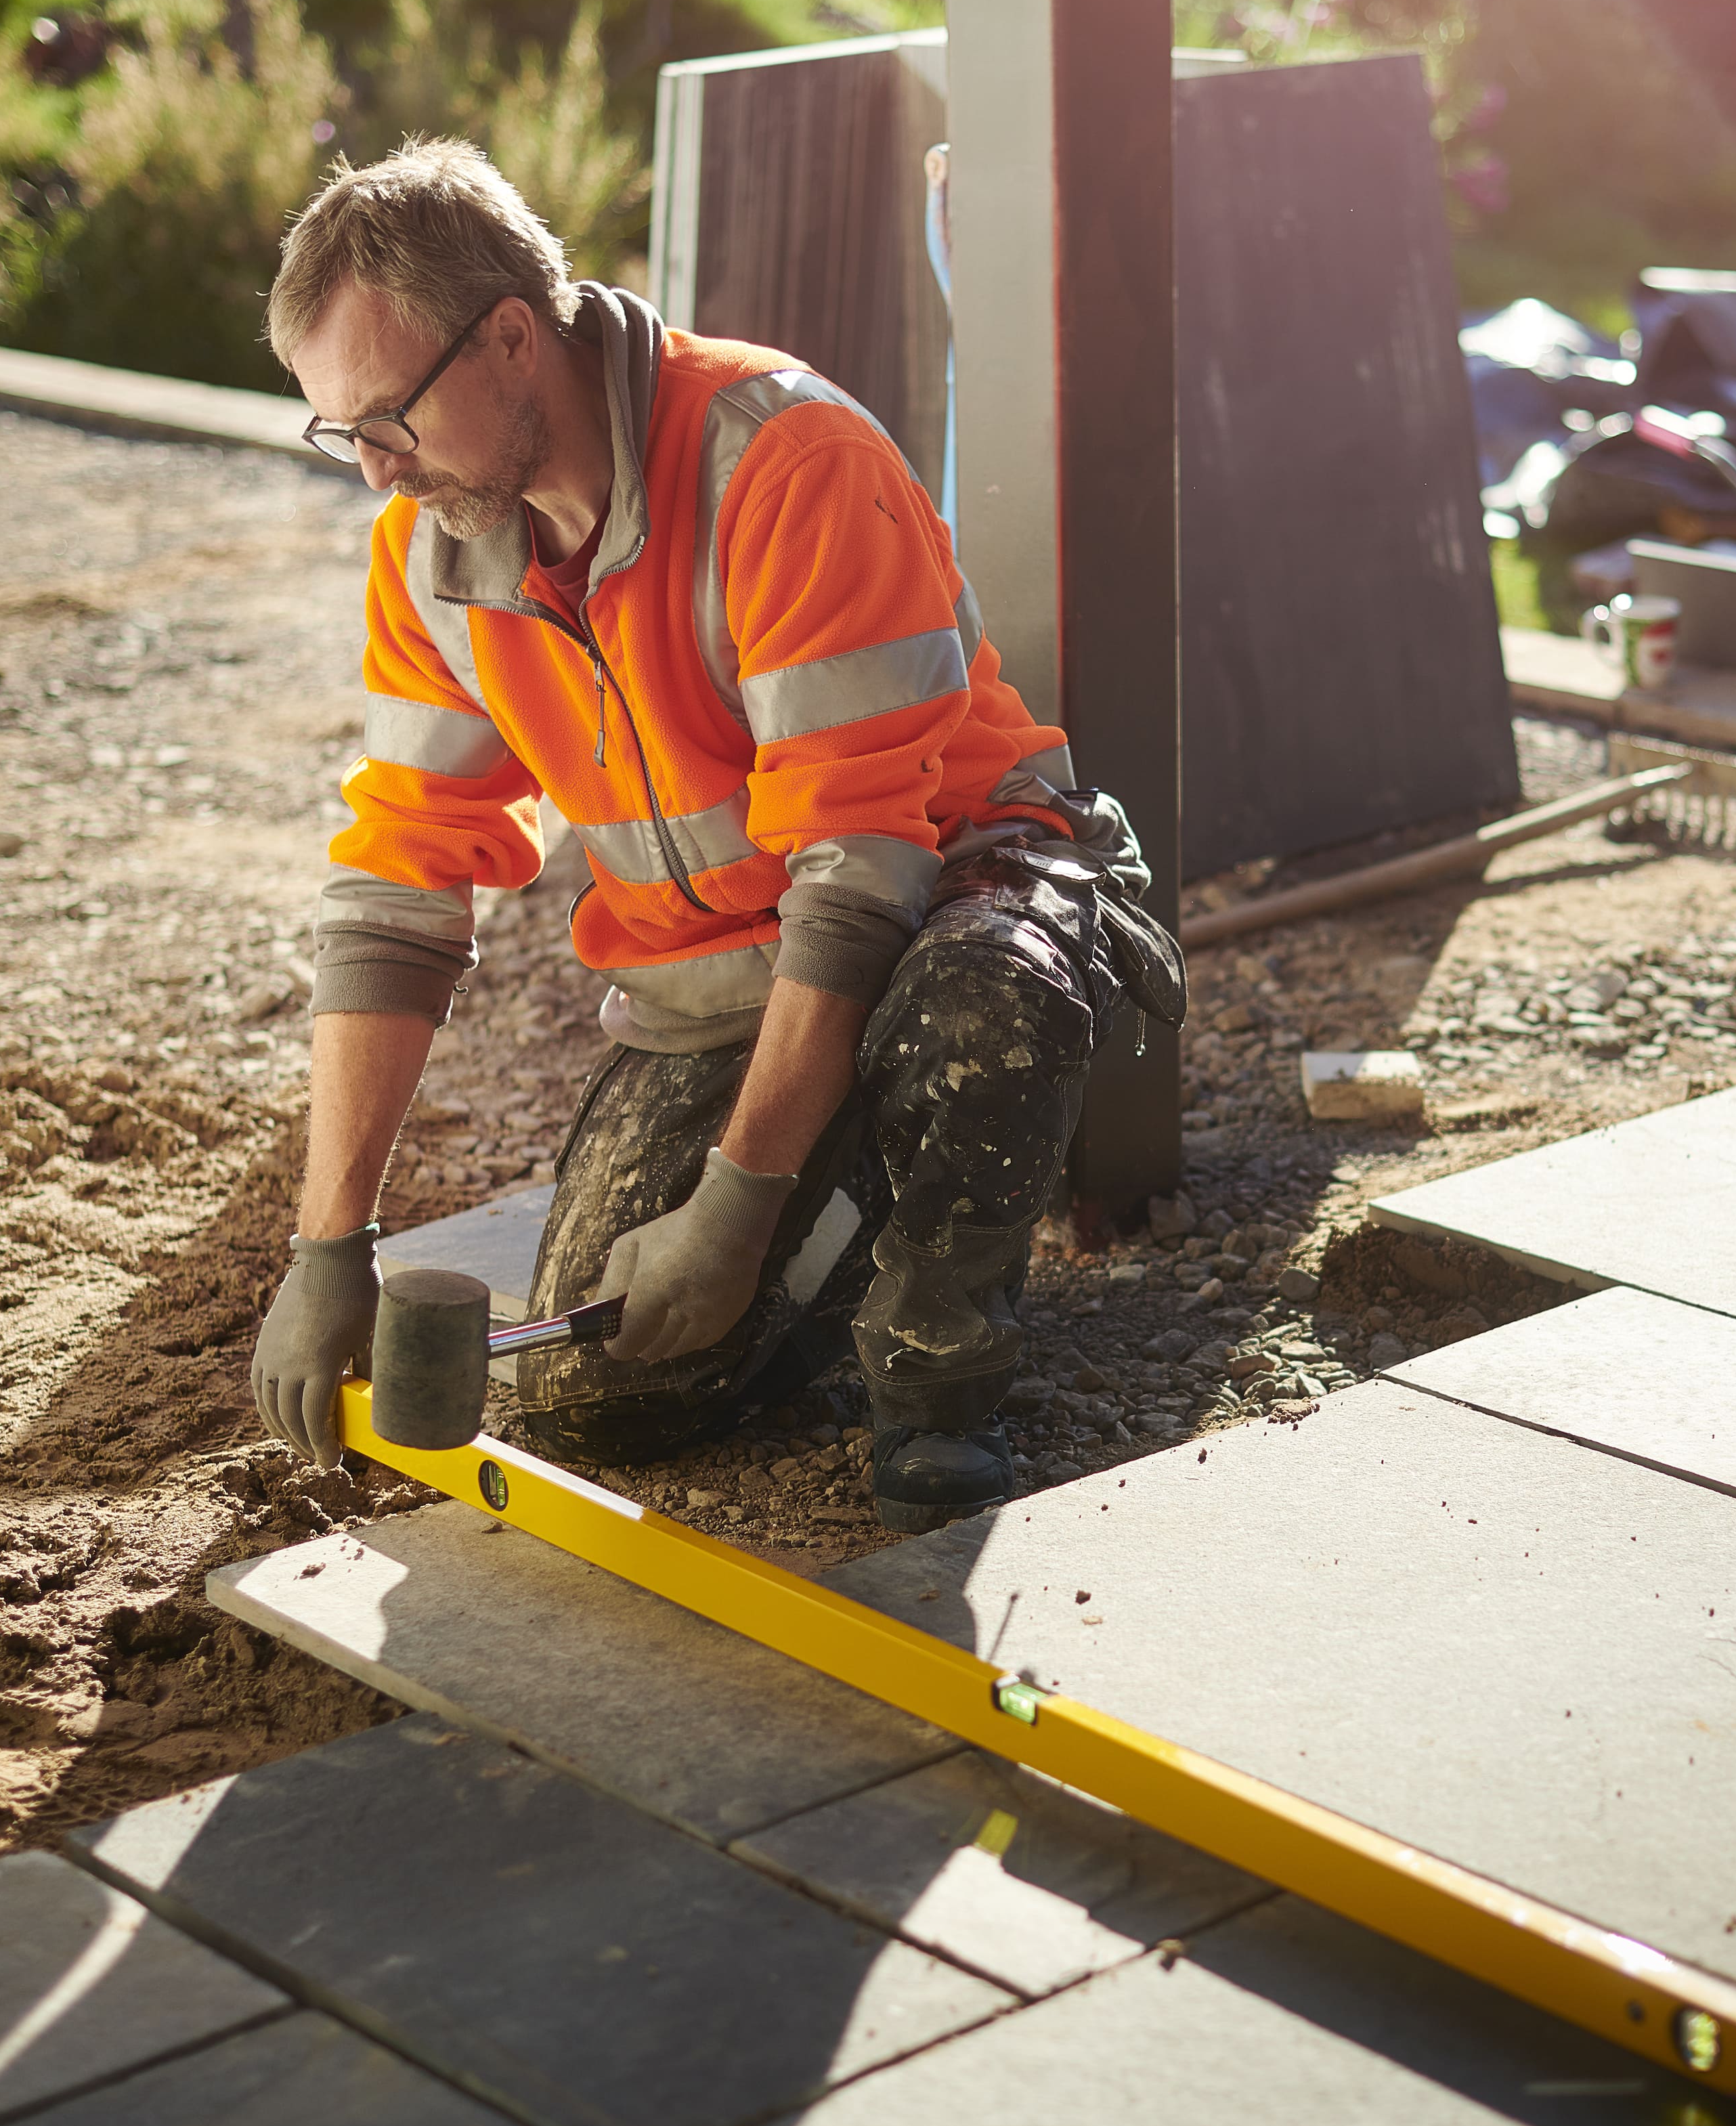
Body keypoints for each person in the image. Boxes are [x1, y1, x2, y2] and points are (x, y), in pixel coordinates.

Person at [244, 140, 1179, 1532]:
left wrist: (741, 1208)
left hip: (957, 888)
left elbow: (864, 877)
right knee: (607, 1392)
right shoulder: (435, 549)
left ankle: (937, 1371)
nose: (379, 475)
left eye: (389, 420)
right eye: (343, 436)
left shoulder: (781, 459)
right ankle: (862, 1163)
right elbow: (398, 883)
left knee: (977, 1002)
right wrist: (332, 1241)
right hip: (726, 976)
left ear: (511, 338)